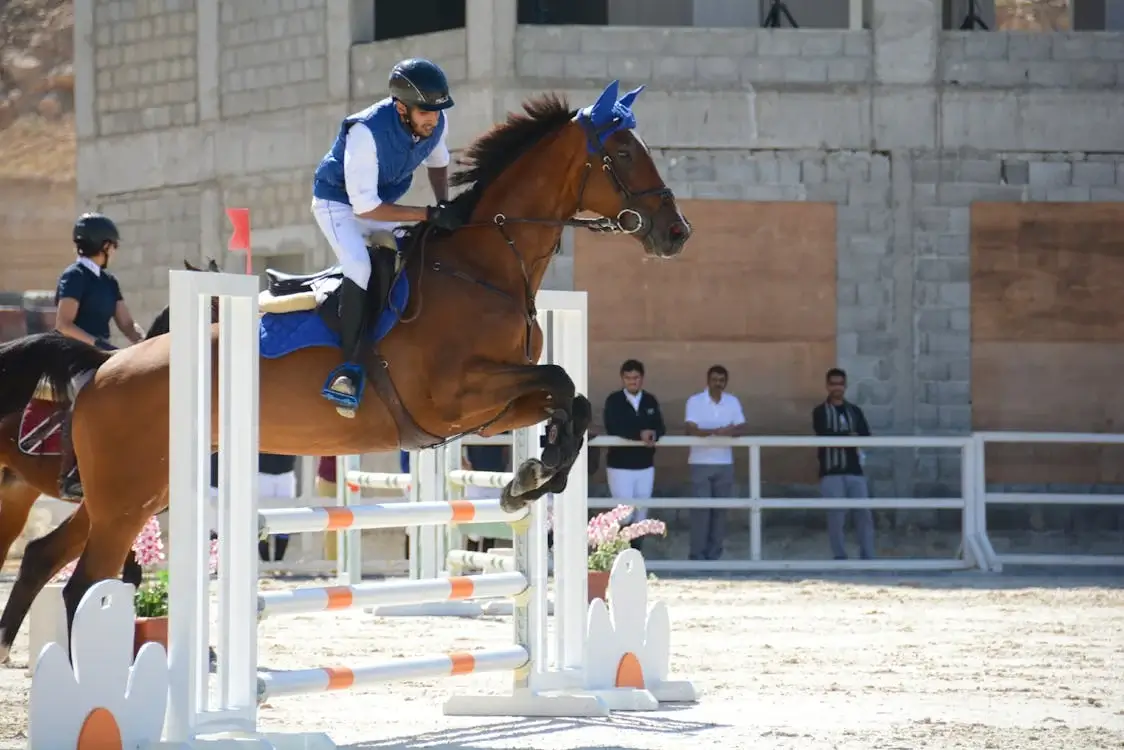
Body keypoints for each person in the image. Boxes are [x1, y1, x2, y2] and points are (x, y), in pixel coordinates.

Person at [310, 58, 463, 418]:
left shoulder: (434, 123)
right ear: (400, 107)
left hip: (382, 206)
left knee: (424, 247)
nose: (434, 119)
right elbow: (364, 209)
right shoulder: (365, 132)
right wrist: (426, 213)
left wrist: (443, 206)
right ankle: (347, 372)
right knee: (361, 267)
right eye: (426, 111)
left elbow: (438, 162)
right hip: (339, 206)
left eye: (438, 111)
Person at [54, 212, 145, 499]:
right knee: (90, 396)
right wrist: (99, 344)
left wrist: (148, 344)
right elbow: (64, 324)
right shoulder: (74, 276)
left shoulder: (108, 281)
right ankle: (74, 473)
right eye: (113, 246)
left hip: (102, 355)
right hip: (73, 355)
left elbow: (127, 324)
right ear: (104, 246)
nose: (114, 252)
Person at [684, 364, 746, 561]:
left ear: (725, 382)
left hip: (725, 463)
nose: (717, 384)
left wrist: (724, 432)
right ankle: (697, 555)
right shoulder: (695, 401)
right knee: (701, 512)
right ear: (708, 380)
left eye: (721, 380)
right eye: (714, 380)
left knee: (720, 511)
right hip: (700, 462)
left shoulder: (732, 401)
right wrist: (716, 432)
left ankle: (714, 556)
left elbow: (741, 427)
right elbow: (690, 428)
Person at [812, 367, 876, 560]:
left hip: (855, 470)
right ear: (827, 386)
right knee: (836, 517)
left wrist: (847, 438)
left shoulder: (855, 411)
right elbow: (824, 433)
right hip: (831, 471)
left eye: (840, 383)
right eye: (833, 383)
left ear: (845, 386)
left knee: (863, 514)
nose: (837, 387)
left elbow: (865, 435)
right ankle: (839, 557)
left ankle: (868, 556)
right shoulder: (820, 411)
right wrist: (849, 436)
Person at [602, 359, 665, 549]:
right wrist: (639, 434)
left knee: (641, 513)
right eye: (628, 378)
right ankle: (621, 552)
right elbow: (613, 426)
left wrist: (655, 434)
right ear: (622, 379)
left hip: (645, 464)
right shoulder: (614, 400)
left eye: (636, 377)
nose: (632, 381)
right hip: (620, 465)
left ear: (642, 379)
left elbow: (661, 426)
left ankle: (636, 554)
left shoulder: (650, 400)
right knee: (624, 513)